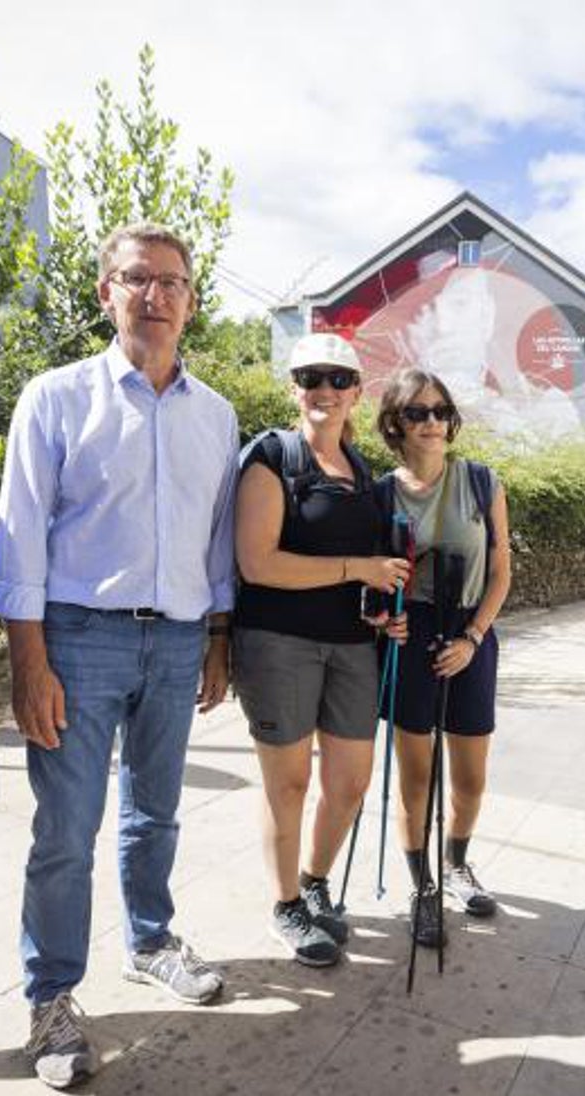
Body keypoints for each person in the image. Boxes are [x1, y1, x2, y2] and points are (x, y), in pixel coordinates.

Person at [0, 221, 238, 1089]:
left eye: (172, 282)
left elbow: (215, 539)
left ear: (191, 301)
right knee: (65, 832)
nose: (155, 295)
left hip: (175, 642)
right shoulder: (54, 399)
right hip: (79, 639)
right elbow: (18, 539)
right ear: (107, 293)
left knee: (156, 814)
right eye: (137, 279)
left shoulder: (217, 415)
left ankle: (151, 940)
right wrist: (29, 661)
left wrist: (214, 638)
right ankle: (51, 997)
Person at [233, 333, 410, 966]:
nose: (325, 391)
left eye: (339, 380)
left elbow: (378, 567)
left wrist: (383, 607)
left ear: (358, 393)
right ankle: (286, 903)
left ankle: (313, 881)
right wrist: (357, 568)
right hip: (279, 642)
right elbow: (258, 564)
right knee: (290, 783)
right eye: (311, 377)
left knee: (350, 783)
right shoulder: (271, 457)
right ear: (293, 386)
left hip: (353, 647)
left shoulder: (363, 471)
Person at [375, 368, 511, 947]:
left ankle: (457, 863)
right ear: (395, 425)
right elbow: (369, 578)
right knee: (417, 776)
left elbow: (502, 572)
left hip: (470, 631)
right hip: (411, 634)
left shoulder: (482, 482)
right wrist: (382, 613)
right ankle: (422, 886)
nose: (431, 422)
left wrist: (474, 638)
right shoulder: (380, 492)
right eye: (417, 413)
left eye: (439, 411)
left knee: (471, 778)